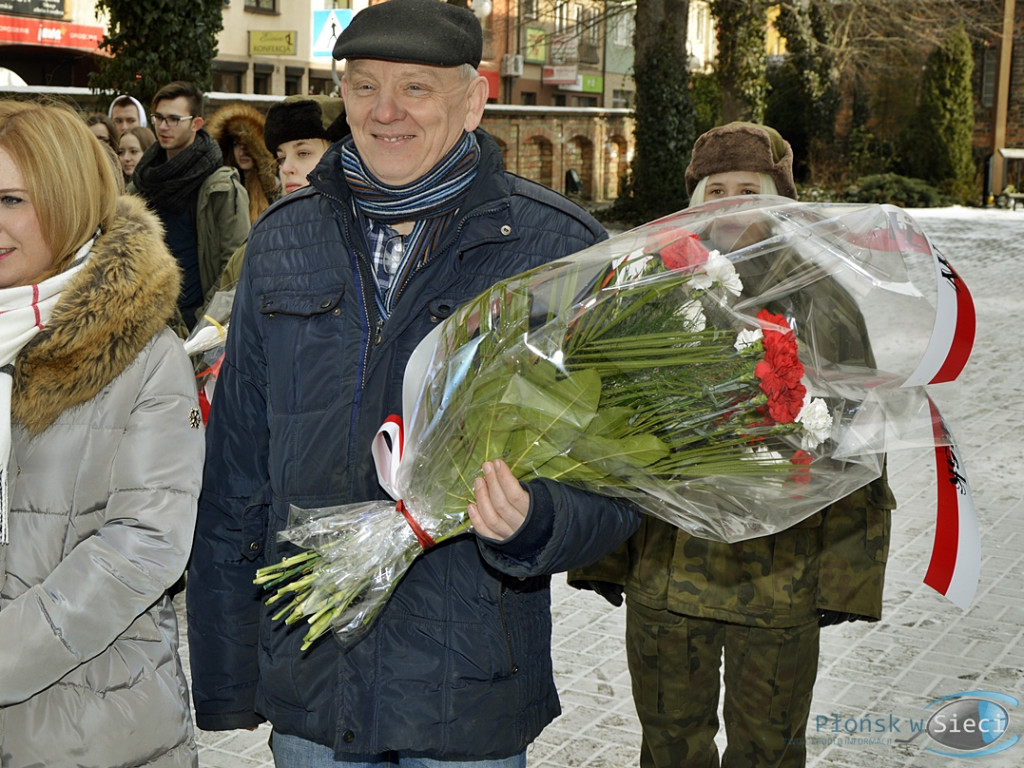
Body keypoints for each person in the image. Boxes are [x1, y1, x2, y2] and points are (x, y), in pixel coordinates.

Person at [185, 1, 641, 765]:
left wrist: (537, 519)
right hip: (312, 683)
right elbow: (236, 475)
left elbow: (624, 483)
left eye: (416, 89)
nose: (384, 111)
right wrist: (231, 674)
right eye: (363, 87)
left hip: (464, 693)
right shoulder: (283, 241)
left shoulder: (558, 251)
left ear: (474, 98)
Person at [570, 122, 896, 768]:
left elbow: (860, 447)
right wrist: (603, 554)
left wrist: (844, 581)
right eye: (714, 188)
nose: (729, 202)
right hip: (668, 580)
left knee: (769, 752)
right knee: (669, 749)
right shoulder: (650, 286)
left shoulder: (822, 298)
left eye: (748, 188)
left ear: (777, 198)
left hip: (780, 583)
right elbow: (604, 423)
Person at [0, 99, 204, 766]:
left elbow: (143, 545)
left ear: (66, 200)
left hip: (90, 723)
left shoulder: (143, 354)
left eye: (10, 200)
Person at [128, 81, 249, 330]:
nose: (163, 126)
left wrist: (204, 323)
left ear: (196, 124)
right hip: (145, 318)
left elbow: (234, 265)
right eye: (159, 118)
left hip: (197, 318)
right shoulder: (141, 182)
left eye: (174, 119)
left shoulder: (221, 186)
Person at [213, 94, 349, 294]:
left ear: (342, 156)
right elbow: (217, 318)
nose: (286, 168)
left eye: (303, 153)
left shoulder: (371, 240)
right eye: (281, 158)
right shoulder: (256, 248)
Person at [206, 103, 280, 225]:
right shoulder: (219, 187)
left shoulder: (274, 191)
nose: (242, 152)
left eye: (247, 146)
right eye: (236, 144)